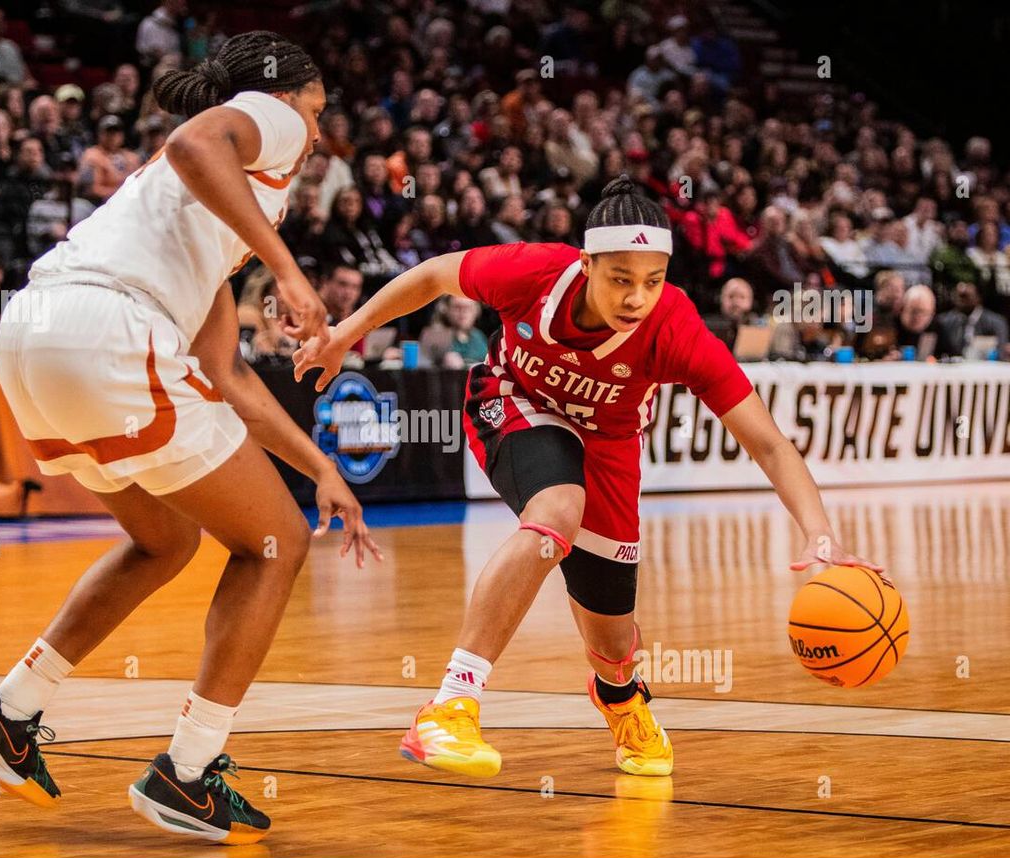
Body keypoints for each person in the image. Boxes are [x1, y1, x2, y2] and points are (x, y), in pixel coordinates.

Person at [0, 32, 379, 846]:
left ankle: (10, 710)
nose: (316, 135)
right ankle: (188, 771)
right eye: (315, 114)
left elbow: (226, 377)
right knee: (276, 542)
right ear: (284, 101)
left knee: (167, 540)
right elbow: (195, 137)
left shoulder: (193, 214)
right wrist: (289, 272)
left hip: (36, 335)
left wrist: (320, 467)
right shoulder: (263, 125)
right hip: (106, 330)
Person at [294, 175, 882, 780]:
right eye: (620, 279)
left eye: (652, 281)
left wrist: (821, 534)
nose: (636, 298)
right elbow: (432, 275)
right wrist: (345, 335)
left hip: (610, 444)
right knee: (555, 513)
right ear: (587, 263)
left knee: (614, 641)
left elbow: (768, 442)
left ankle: (621, 696)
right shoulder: (532, 272)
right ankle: (449, 705)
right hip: (513, 399)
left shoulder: (675, 326)